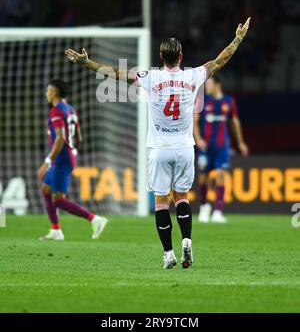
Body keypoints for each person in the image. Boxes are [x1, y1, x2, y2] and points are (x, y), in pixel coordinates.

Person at [65, 17, 251, 268]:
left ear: (161, 55)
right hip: (185, 148)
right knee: (182, 197)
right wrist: (238, 38)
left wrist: (86, 63)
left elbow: (115, 74)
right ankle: (187, 240)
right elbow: (221, 60)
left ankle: (168, 254)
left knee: (161, 201)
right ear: (181, 57)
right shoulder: (194, 76)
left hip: (159, 149)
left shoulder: (149, 77)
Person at [37, 78, 108, 241]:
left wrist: (47, 162)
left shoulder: (56, 111)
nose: (46, 93)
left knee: (59, 200)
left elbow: (60, 139)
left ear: (54, 93)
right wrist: (73, 152)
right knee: (46, 190)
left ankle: (95, 219)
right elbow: (79, 138)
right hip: (67, 156)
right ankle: (56, 230)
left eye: (48, 90)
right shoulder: (70, 110)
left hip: (61, 158)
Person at [193, 75, 249, 223]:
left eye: (209, 84)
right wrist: (198, 139)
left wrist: (240, 142)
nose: (206, 87)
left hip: (222, 146)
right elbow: (195, 121)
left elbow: (234, 122)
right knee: (203, 177)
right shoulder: (202, 100)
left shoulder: (228, 101)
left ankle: (217, 210)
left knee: (220, 175)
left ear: (218, 85)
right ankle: (204, 207)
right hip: (206, 146)